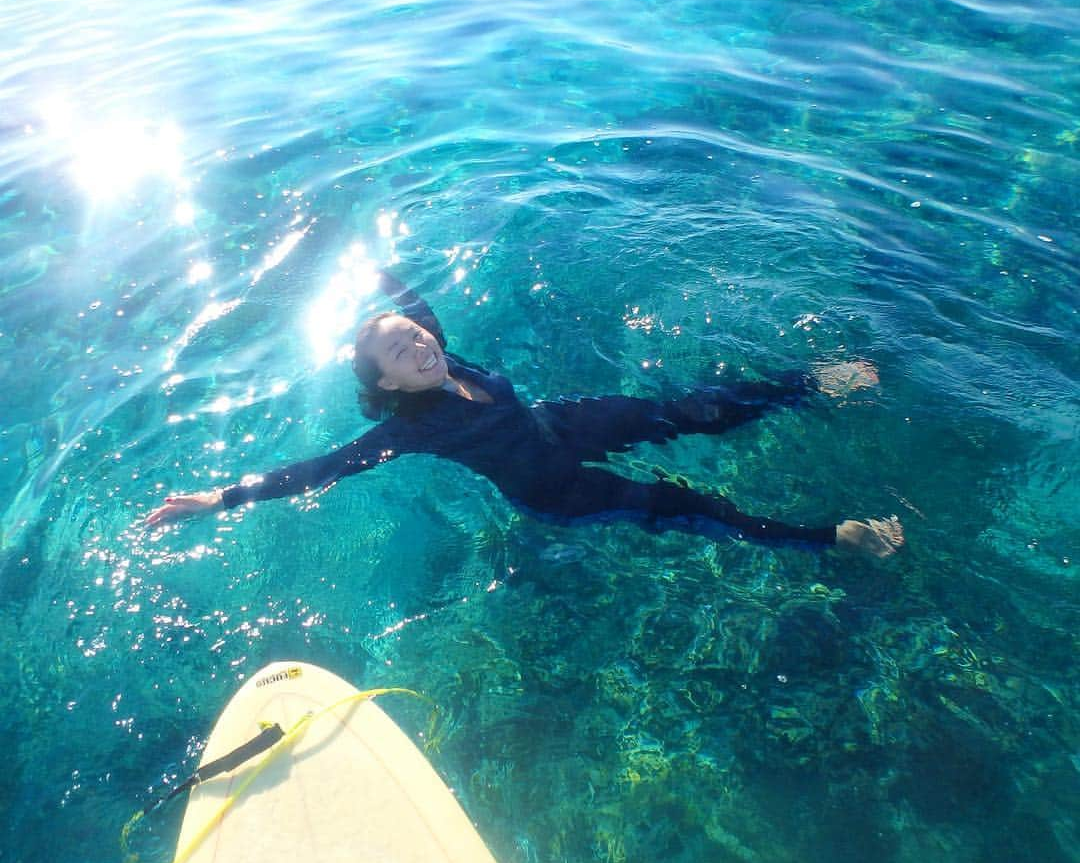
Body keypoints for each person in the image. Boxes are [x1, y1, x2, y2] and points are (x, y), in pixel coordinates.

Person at [145, 271, 904, 557]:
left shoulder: (439, 352)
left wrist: (382, 272)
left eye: (414, 336)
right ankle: (832, 539)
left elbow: (422, 313)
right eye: (399, 351)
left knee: (693, 411)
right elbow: (321, 469)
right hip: (554, 493)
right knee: (690, 506)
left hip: (559, 423)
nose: (417, 346)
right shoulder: (407, 429)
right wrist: (221, 497)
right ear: (387, 384)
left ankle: (807, 385)